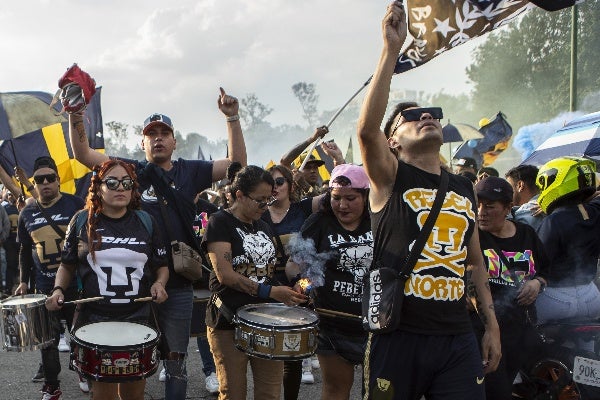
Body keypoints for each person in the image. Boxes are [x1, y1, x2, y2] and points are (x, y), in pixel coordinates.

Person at [355, 3, 501, 399]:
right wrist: (389, 50)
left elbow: (473, 262)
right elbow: (366, 131)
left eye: (433, 113)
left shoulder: (463, 188)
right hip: (398, 333)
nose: (427, 116)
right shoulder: (389, 176)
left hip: (456, 338)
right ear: (393, 140)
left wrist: (491, 325)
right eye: (413, 116)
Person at [68, 87, 246, 399]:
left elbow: (237, 165)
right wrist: (76, 117)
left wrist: (232, 118)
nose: (159, 138)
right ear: (143, 143)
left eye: (165, 132)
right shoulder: (129, 170)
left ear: (175, 141)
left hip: (176, 281)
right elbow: (84, 155)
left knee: (175, 360)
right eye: (152, 134)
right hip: (135, 286)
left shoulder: (191, 170)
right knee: (125, 360)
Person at [46, 159, 169, 400]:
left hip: (138, 317)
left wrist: (159, 283)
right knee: (104, 395)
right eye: (112, 182)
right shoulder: (82, 221)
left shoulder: (146, 221)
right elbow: (67, 264)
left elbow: (161, 266)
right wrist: (58, 289)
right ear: (98, 187)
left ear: (134, 188)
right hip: (95, 318)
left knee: (135, 394)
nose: (120, 188)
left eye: (127, 182)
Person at [203, 165, 307, 400]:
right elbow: (225, 275)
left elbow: (270, 272)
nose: (265, 206)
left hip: (266, 321)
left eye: (268, 200)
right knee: (233, 394)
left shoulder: (264, 226)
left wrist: (293, 288)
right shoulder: (220, 223)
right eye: (260, 201)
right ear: (239, 195)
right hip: (228, 321)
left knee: (270, 394)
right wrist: (271, 292)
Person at [286, 164, 372, 400]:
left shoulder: (378, 219)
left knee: (378, 391)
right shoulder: (319, 222)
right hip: (332, 324)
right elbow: (297, 266)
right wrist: (300, 284)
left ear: (366, 196)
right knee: (335, 391)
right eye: (336, 198)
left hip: (376, 324)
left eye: (350, 198)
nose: (342, 206)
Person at [14, 156, 85, 400]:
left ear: (58, 180)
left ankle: (81, 369)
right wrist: (23, 280)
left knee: (80, 333)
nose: (45, 183)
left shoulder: (76, 205)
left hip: (75, 285)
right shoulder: (27, 213)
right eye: (39, 179)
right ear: (34, 182)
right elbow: (24, 249)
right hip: (44, 286)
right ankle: (52, 384)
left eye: (50, 178)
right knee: (48, 339)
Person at [472, 176, 549, 400]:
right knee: (496, 391)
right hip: (482, 330)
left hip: (520, 329)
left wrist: (537, 283)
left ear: (508, 208)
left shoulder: (527, 234)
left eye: (489, 206)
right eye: (477, 205)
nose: (481, 212)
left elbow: (546, 271)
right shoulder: (471, 237)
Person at [261, 164, 322, 397]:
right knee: (268, 356)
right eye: (270, 183)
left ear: (290, 184)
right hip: (266, 288)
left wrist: (337, 161)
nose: (275, 187)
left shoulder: (304, 209)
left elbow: (336, 196)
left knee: (292, 355)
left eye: (280, 182)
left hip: (300, 286)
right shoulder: (258, 214)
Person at [534, 156, 600, 324]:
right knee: (588, 345)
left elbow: (537, 262)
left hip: (556, 299)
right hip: (591, 297)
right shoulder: (595, 211)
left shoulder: (553, 221)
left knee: (521, 325)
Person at [504, 164, 544, 230]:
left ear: (520, 185)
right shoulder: (552, 205)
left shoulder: (525, 211)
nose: (506, 191)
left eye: (508, 187)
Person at [2, 191, 19, 295]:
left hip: (21, 239)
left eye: (12, 194)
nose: (11, 196)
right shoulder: (4, 209)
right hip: (10, 240)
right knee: (11, 264)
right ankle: (8, 288)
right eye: (9, 194)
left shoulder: (21, 206)